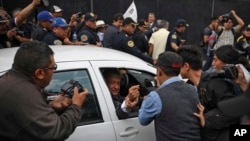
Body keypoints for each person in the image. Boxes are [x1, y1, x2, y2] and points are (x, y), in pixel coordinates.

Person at [0, 41, 89, 140]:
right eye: (53, 67)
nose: (54, 72)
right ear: (39, 73)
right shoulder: (26, 94)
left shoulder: (9, 79)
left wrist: (50, 107)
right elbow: (56, 132)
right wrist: (76, 106)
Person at [177, 45, 244, 141]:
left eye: (178, 65)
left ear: (186, 66)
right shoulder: (189, 86)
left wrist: (206, 122)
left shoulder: (215, 83)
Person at [138, 51, 200, 141]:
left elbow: (143, 120)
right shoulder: (193, 89)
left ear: (159, 71)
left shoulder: (155, 96)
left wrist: (146, 99)